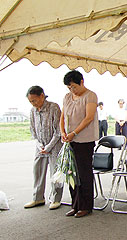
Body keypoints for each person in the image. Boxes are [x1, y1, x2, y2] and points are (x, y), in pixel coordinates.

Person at [60, 70, 99, 218]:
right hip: (70, 140)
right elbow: (63, 116)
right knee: (71, 173)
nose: (72, 90)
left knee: (84, 173)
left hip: (84, 140)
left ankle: (85, 206)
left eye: (74, 87)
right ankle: (75, 204)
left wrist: (74, 133)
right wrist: (63, 132)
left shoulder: (91, 96)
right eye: (69, 87)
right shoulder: (67, 97)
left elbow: (88, 118)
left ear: (82, 82)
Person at [24, 86, 63, 210]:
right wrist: (39, 144)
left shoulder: (53, 107)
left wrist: (49, 146)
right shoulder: (32, 111)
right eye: (30, 101)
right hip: (40, 146)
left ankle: (56, 199)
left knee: (55, 173)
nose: (33, 103)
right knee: (38, 171)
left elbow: (58, 131)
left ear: (42, 95)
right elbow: (33, 130)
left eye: (34, 100)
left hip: (54, 145)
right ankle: (38, 198)